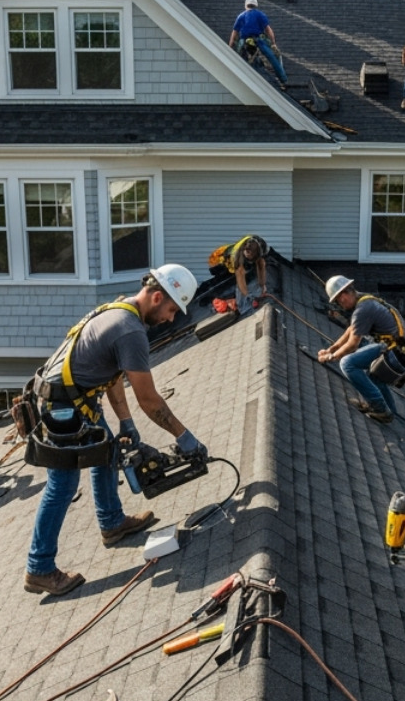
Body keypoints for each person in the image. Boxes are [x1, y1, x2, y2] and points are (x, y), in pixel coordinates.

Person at [25, 264, 208, 597]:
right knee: (62, 486)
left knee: (108, 452)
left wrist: (125, 423)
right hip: (62, 408)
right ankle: (39, 569)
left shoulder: (119, 310)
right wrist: (185, 438)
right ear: (156, 296)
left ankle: (111, 522)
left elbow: (111, 377)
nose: (170, 319)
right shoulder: (130, 331)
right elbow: (151, 400)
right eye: (170, 310)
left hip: (73, 399)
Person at [317, 275, 405, 424]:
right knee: (375, 378)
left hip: (394, 354)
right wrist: (331, 349)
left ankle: (379, 408)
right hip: (400, 352)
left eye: (338, 302)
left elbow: (353, 344)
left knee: (347, 363)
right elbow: (351, 330)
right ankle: (389, 411)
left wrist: (330, 358)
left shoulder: (363, 309)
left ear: (343, 296)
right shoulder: (363, 299)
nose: (340, 305)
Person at [228, 0, 288, 88]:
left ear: (246, 5)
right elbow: (268, 30)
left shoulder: (241, 16)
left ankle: (232, 76)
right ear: (256, 5)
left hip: (244, 41)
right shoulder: (260, 15)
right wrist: (273, 44)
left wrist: (230, 46)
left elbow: (234, 33)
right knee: (272, 57)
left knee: (237, 57)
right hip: (258, 40)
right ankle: (283, 79)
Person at [208, 234, 270, 311]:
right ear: (248, 252)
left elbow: (260, 263)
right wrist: (248, 298)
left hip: (233, 255)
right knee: (233, 282)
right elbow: (241, 281)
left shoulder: (254, 242)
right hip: (217, 262)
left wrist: (263, 285)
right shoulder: (237, 257)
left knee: (250, 272)